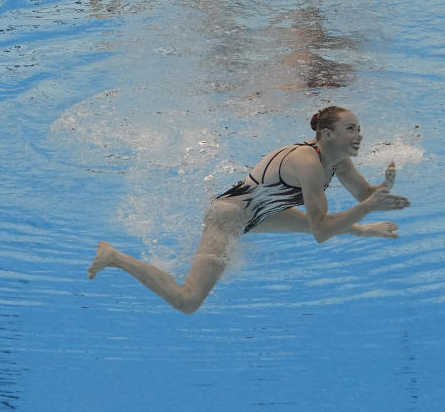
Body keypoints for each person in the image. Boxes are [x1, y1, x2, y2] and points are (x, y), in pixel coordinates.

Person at [87, 106, 411, 313]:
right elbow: (322, 232)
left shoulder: (337, 162)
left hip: (261, 215)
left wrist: (383, 188)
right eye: (351, 128)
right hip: (227, 218)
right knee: (188, 301)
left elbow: (364, 194)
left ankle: (363, 230)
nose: (359, 134)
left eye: (358, 127)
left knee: (312, 222)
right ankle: (113, 256)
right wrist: (369, 207)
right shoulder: (309, 164)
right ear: (326, 135)